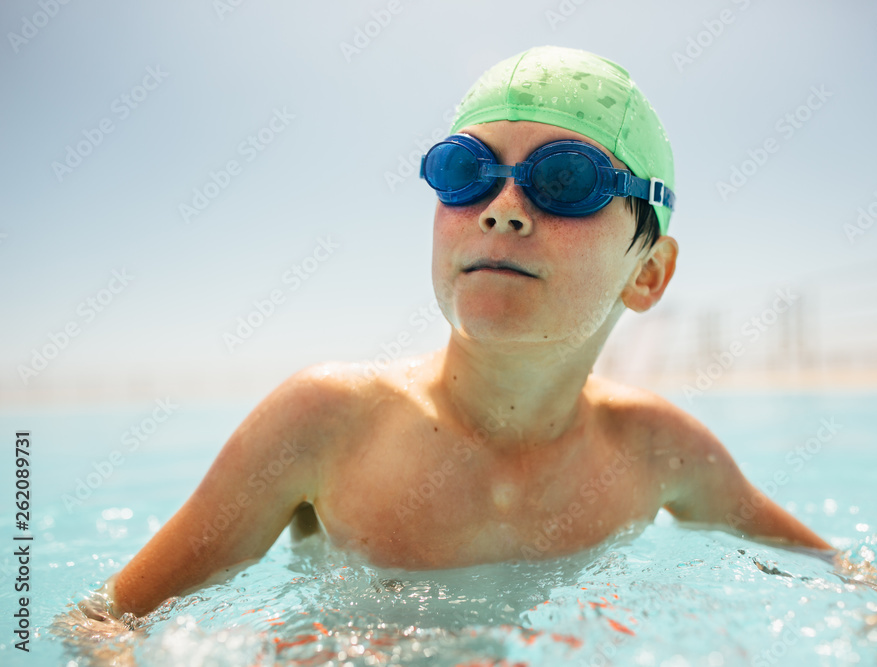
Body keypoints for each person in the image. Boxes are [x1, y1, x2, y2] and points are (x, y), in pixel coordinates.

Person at [84, 45, 835, 623]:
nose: (503, 207)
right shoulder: (325, 422)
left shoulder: (660, 449)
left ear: (649, 274)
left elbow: (844, 578)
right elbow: (104, 623)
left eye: (565, 179)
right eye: (465, 170)